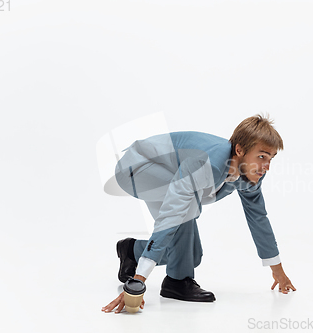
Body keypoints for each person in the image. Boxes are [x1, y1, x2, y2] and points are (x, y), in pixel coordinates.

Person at [101, 114, 296, 314]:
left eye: (271, 158)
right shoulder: (207, 164)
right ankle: (176, 281)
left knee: (191, 256)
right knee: (186, 207)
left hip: (165, 174)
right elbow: (172, 214)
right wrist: (138, 282)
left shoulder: (249, 174)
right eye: (262, 156)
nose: (267, 166)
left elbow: (258, 218)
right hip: (136, 167)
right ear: (239, 150)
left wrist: (278, 271)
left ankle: (132, 251)